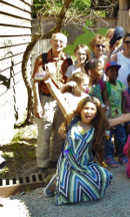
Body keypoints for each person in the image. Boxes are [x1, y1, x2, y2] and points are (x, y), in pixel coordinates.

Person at [41, 73, 130, 204]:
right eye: (86, 108)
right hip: (69, 163)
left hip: (85, 164)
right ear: (80, 110)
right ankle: (59, 179)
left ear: (96, 113)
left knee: (103, 177)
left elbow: (121, 118)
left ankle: (64, 180)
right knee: (68, 194)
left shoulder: (98, 126)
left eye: (92, 109)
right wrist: (48, 81)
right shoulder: (72, 119)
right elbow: (59, 98)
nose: (89, 111)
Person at [32, 33, 73, 177]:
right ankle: (42, 164)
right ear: (51, 41)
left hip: (62, 100)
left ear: (66, 44)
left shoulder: (68, 61)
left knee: (60, 133)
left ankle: (55, 160)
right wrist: (37, 103)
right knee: (44, 132)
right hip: (46, 99)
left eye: (61, 41)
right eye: (56, 41)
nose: (58, 43)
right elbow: (36, 81)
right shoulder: (42, 59)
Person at [103, 62, 127, 168]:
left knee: (121, 137)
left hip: (119, 117)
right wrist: (108, 116)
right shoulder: (105, 85)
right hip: (109, 117)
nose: (114, 73)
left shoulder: (120, 84)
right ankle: (109, 156)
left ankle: (122, 155)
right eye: (111, 71)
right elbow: (105, 100)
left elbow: (123, 100)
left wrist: (124, 113)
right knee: (108, 138)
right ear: (106, 73)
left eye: (116, 71)